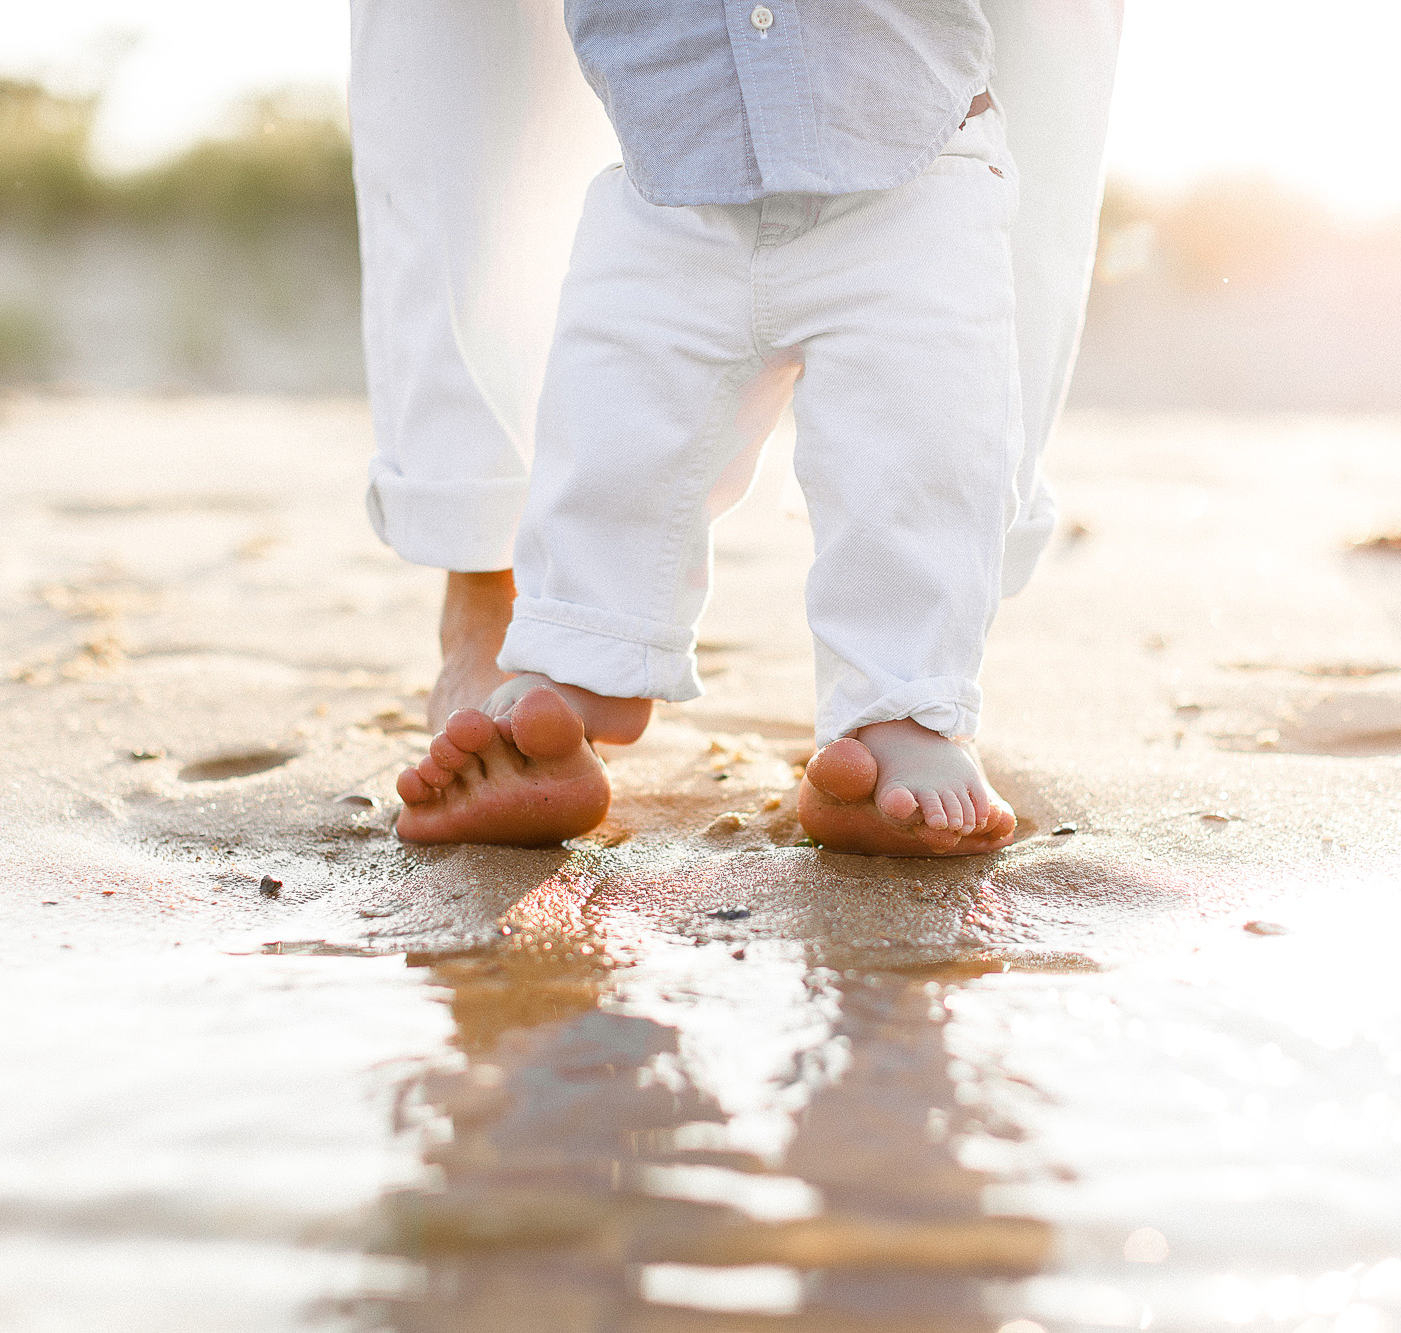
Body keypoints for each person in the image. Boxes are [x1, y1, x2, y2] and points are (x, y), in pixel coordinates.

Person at [350, 0, 1121, 854]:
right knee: (611, 433)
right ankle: (577, 666)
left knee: (916, 456)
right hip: (668, 167)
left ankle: (904, 705)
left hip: (915, 166)